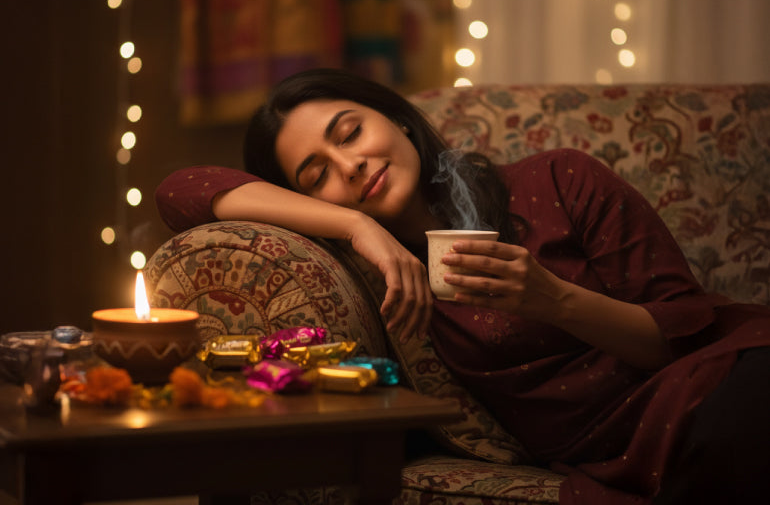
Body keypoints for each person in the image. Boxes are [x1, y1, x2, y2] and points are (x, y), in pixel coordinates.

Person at [156, 68, 770, 504]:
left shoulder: (558, 180)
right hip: (614, 449)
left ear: (395, 118)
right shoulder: (380, 276)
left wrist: (553, 299)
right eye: (317, 175)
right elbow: (181, 190)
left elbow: (682, 336)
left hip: (715, 383)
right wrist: (356, 225)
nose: (350, 166)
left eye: (349, 135)